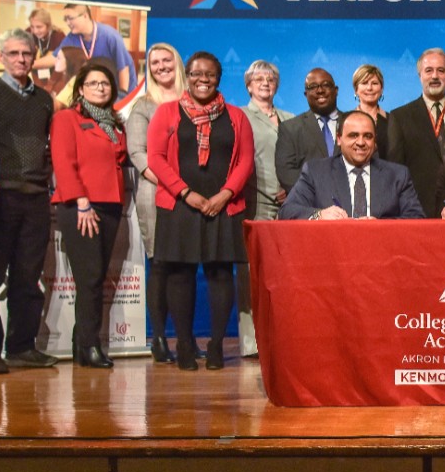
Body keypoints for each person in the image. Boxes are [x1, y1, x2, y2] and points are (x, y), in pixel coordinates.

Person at [146, 51, 255, 371]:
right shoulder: (166, 112)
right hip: (179, 206)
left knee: (220, 275)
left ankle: (218, 346)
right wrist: (186, 193)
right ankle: (183, 346)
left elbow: (245, 161)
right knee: (179, 275)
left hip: (224, 207)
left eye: (209, 74)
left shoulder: (236, 116)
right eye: (196, 74)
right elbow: (155, 158)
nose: (202, 79)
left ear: (219, 78)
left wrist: (224, 195)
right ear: (187, 76)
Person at [0, 28, 57, 374]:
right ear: (0, 56)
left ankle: (22, 347)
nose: (21, 59)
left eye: (26, 53)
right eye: (14, 53)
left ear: (35, 57)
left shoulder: (44, 99)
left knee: (28, 277)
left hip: (36, 197)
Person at [50, 61, 128, 369]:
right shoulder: (66, 119)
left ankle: (81, 345)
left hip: (110, 205)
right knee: (91, 278)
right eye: (93, 83)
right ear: (80, 89)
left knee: (95, 277)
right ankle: (90, 344)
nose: (100, 88)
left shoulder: (114, 123)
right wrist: (81, 201)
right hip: (82, 206)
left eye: (105, 84)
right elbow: (63, 162)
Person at [126, 42, 186, 363]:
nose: (161, 66)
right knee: (161, 264)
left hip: (191, 198)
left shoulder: (194, 103)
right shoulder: (144, 107)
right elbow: (137, 154)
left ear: (177, 62)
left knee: (185, 267)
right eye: (154, 63)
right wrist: (172, 184)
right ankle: (159, 338)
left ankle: (185, 338)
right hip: (157, 193)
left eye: (166, 60)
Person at [238, 59, 294, 358]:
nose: (265, 83)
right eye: (258, 78)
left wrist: (293, 191)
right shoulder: (239, 117)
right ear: (248, 84)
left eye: (270, 78)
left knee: (285, 274)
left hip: (289, 203)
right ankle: (251, 342)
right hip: (254, 201)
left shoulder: (290, 118)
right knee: (251, 274)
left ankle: (283, 337)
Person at [281, 111, 425, 220]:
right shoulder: (316, 171)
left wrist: (381, 226)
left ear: (375, 142)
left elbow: (416, 217)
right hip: (333, 252)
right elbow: (287, 211)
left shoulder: (397, 175)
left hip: (382, 252)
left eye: (368, 136)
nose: (361, 142)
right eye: (353, 135)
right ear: (339, 139)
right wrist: (319, 215)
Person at [387, 48, 445, 218]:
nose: (435, 76)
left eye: (441, 70)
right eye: (428, 70)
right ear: (420, 75)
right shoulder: (400, 116)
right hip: (417, 208)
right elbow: (395, 170)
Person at [275, 67, 341, 194]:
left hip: (353, 206)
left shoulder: (355, 124)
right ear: (306, 94)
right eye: (312, 87)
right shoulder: (290, 128)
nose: (320, 90)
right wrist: (321, 195)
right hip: (309, 206)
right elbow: (286, 173)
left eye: (326, 85)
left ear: (336, 90)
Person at [53, 2, 137, 98]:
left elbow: (123, 69)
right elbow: (55, 57)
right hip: (101, 88)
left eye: (70, 18)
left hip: (123, 87)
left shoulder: (110, 36)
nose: (67, 23)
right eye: (65, 19)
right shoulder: (72, 37)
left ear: (85, 16)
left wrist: (123, 97)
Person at [353, 64, 389, 160]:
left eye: (374, 83)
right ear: (356, 89)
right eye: (364, 83)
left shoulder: (393, 121)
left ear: (381, 89)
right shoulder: (345, 120)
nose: (369, 88)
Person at [27, 7, 65, 93]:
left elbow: (57, 61)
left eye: (39, 27)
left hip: (57, 74)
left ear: (48, 26)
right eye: (32, 27)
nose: (35, 31)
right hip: (38, 73)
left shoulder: (59, 36)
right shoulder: (29, 33)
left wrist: (50, 84)